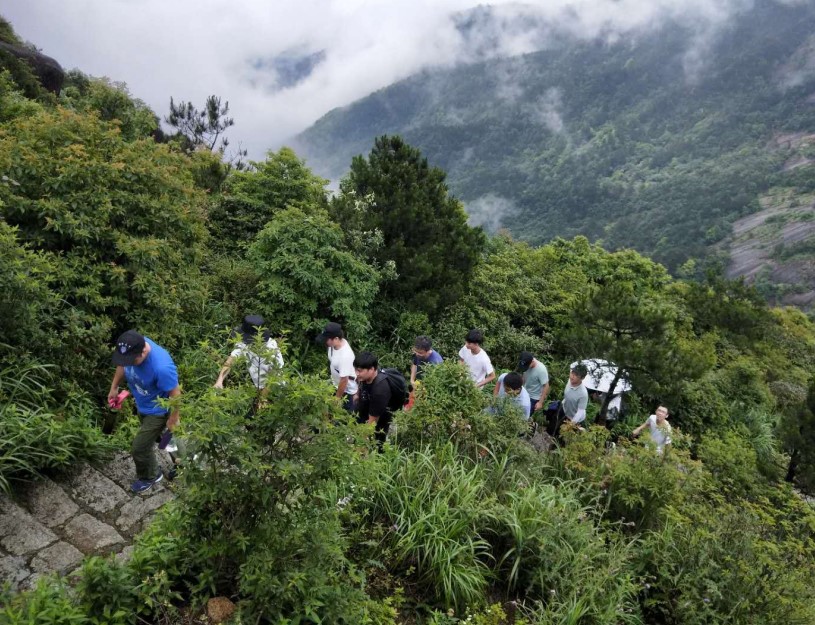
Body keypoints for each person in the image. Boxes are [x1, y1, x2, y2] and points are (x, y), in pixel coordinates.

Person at [108, 330, 180, 494]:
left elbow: (176, 394)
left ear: (143, 352)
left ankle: (151, 475)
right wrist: (114, 387)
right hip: (143, 405)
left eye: (131, 361)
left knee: (139, 448)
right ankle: (182, 461)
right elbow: (122, 364)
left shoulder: (161, 367)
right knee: (164, 438)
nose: (128, 364)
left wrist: (174, 417)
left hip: (159, 410)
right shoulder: (132, 344)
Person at [214, 314, 284, 392]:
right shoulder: (243, 343)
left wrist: (261, 398)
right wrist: (219, 380)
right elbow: (230, 361)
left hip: (277, 390)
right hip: (258, 386)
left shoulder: (271, 349)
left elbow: (273, 379)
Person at [354, 351, 393, 448]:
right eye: (356, 370)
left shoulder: (380, 389)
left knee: (376, 446)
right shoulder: (365, 377)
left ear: (371, 369)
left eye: (359, 371)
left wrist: (361, 442)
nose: (356, 373)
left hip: (378, 422)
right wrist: (357, 394)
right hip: (365, 413)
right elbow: (361, 385)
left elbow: (372, 423)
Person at [316, 321, 358, 412]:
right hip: (336, 385)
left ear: (336, 339)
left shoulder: (345, 356)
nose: (325, 342)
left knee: (344, 416)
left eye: (327, 339)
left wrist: (337, 398)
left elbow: (344, 380)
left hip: (347, 391)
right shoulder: (333, 345)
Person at [560, 363, 589, 428]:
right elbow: (568, 394)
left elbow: (580, 412)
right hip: (565, 411)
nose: (572, 376)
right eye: (572, 373)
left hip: (575, 419)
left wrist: (570, 424)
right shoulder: (570, 381)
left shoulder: (583, 394)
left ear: (582, 378)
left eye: (576, 375)